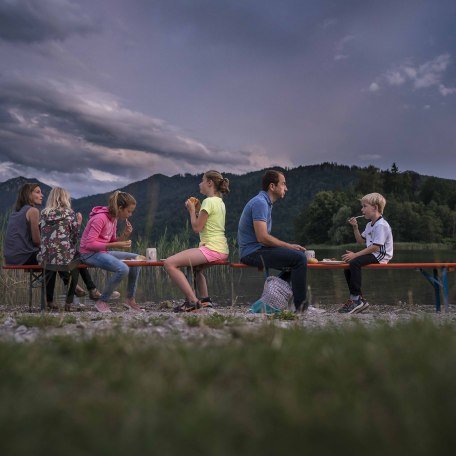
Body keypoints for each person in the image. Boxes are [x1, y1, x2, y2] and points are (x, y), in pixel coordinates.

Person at [237, 169, 308, 312]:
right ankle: (301, 308)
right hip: (251, 252)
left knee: (295, 259)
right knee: (299, 259)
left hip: (256, 249)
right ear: (272, 186)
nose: (286, 188)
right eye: (283, 184)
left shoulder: (265, 203)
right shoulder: (260, 203)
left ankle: (272, 300)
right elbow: (262, 237)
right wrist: (288, 246)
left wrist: (288, 248)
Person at [164, 170, 230, 312]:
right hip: (221, 249)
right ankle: (205, 301)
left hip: (212, 249)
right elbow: (207, 223)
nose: (200, 184)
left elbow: (196, 227)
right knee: (195, 269)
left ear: (210, 183)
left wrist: (191, 210)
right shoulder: (220, 202)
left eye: (202, 180)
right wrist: (198, 210)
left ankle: (193, 302)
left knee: (169, 263)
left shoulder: (208, 201)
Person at [38, 187, 102, 311]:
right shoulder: (69, 213)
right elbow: (73, 239)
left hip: (46, 257)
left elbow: (43, 234)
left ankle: (50, 301)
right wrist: (78, 222)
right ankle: (72, 300)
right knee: (78, 258)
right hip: (65, 257)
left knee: (51, 262)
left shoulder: (44, 213)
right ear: (64, 198)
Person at [79, 191, 142, 313]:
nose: (130, 214)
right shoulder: (100, 218)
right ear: (119, 208)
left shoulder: (113, 219)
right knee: (123, 269)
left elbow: (112, 240)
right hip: (88, 254)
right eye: (129, 211)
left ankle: (130, 299)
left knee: (138, 259)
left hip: (102, 252)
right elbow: (89, 244)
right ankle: (102, 301)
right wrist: (115, 244)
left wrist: (125, 234)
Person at [338, 192, 393, 314]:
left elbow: (375, 247)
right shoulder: (369, 225)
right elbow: (360, 240)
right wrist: (355, 227)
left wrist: (356, 255)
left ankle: (356, 299)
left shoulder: (381, 225)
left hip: (381, 255)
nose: (362, 209)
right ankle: (358, 299)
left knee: (355, 263)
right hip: (374, 254)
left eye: (364, 206)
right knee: (348, 267)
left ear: (375, 208)